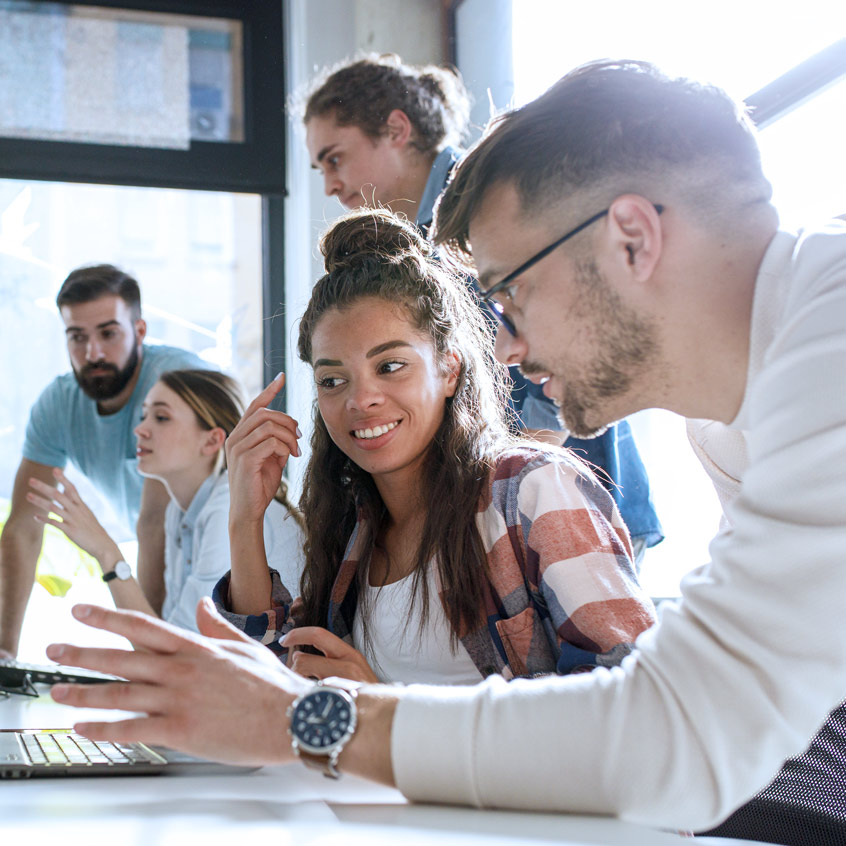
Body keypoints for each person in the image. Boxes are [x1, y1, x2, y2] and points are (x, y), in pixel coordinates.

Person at [46, 58, 846, 834]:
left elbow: (672, 730)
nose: (504, 345)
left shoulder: (829, 349)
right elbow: (716, 715)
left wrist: (309, 719)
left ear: (631, 238)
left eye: (510, 292)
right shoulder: (737, 415)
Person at [214, 208, 654, 684]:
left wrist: (385, 710)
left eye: (390, 366)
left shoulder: (532, 491)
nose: (360, 400)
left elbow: (633, 696)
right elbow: (274, 686)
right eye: (333, 379)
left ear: (449, 369)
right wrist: (245, 518)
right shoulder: (352, 526)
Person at [302, 54, 663, 564]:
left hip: (563, 502)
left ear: (396, 129)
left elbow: (556, 358)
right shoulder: (425, 242)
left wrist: (499, 494)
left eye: (335, 158)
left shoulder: (487, 207)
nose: (330, 185)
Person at [0, 264, 209, 657]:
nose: (92, 353)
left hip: (220, 562)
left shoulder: (177, 384)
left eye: (108, 334)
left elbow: (153, 526)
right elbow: (23, 529)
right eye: (77, 337)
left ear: (140, 331)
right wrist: (4, 654)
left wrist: (151, 657)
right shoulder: (58, 404)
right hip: (159, 561)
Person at [26, 370, 304, 633]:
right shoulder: (178, 513)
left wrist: (106, 552)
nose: (140, 430)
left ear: (211, 441)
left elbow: (182, 653)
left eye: (160, 418)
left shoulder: (227, 509)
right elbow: (174, 635)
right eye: (144, 415)